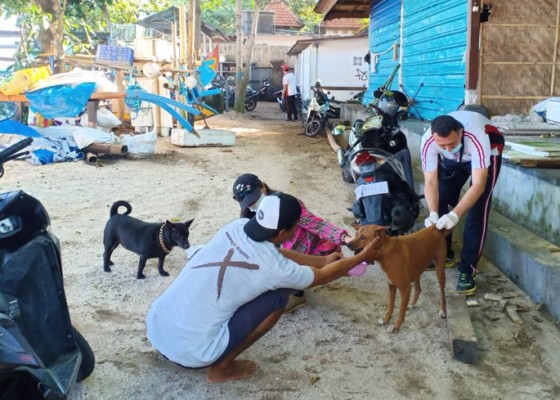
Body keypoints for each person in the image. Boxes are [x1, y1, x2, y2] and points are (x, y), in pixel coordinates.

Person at [146, 193, 379, 383]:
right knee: (279, 295)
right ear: (282, 233)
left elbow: (273, 252)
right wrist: (362, 256)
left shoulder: (236, 227)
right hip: (195, 353)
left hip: (156, 328)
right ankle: (222, 369)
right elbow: (322, 278)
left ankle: (180, 340)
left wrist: (321, 260)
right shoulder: (276, 269)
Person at [232, 173, 356, 311]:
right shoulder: (249, 215)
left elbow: (317, 224)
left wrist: (345, 238)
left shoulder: (286, 205)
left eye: (254, 200)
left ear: (262, 186)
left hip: (302, 254)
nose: (253, 205)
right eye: (249, 204)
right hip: (280, 254)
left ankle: (296, 293)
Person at [420, 110, 504, 295]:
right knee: (441, 200)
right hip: (454, 161)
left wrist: (455, 215)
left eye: (451, 143)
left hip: (488, 153)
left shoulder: (476, 136)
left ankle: (467, 270)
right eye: (442, 146)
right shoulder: (428, 141)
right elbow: (431, 182)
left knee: (477, 210)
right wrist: (433, 213)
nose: (447, 148)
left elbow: (479, 185)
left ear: (460, 132)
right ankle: (445, 254)